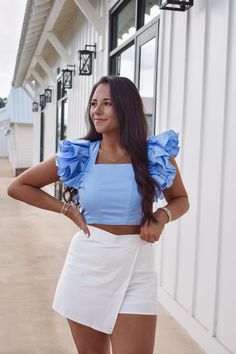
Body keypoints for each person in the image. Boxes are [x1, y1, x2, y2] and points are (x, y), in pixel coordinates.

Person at [7, 75, 189, 354]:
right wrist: (67, 210)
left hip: (136, 268)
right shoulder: (80, 153)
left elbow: (180, 200)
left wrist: (161, 216)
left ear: (126, 108)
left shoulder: (153, 155)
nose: (97, 111)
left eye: (107, 103)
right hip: (88, 267)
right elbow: (19, 186)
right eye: (94, 103)